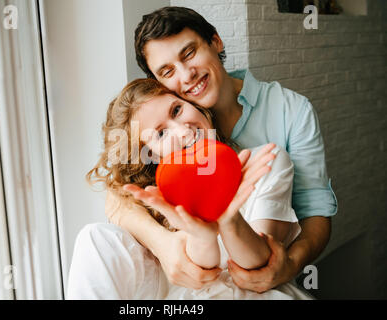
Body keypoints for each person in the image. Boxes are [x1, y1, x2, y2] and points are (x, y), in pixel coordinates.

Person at [104, 6, 337, 293]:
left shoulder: (290, 111)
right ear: (157, 83)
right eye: (167, 71)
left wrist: (290, 262)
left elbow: (316, 212)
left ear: (215, 41)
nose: (186, 75)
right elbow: (118, 193)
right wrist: (161, 243)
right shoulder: (168, 129)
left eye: (189, 53)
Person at [67, 78, 312, 299]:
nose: (184, 131)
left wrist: (229, 218)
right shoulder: (158, 199)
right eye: (161, 133)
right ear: (150, 154)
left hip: (253, 294)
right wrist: (202, 234)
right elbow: (199, 272)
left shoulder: (262, 161)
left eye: (177, 109)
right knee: (94, 236)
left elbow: (258, 267)